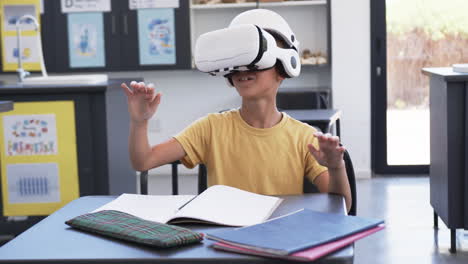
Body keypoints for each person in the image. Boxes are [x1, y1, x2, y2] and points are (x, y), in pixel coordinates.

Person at [121, 9, 352, 212]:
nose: (243, 69)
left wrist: (335, 166)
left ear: (283, 68)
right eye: (238, 59)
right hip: (224, 244)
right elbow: (143, 161)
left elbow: (341, 205)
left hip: (279, 242)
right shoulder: (211, 127)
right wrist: (140, 122)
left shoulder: (304, 137)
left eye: (256, 59)